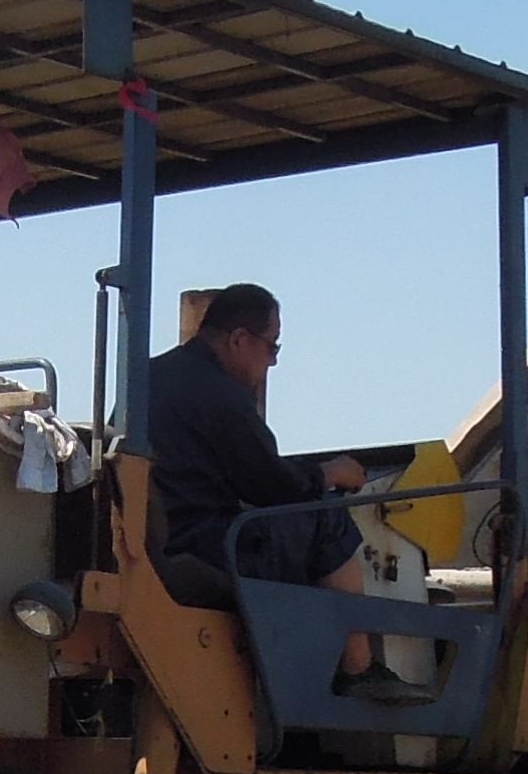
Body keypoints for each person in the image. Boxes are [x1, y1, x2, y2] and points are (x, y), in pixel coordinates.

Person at [133, 283, 383, 681]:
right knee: (326, 516)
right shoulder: (222, 395)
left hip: (155, 541)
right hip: (209, 547)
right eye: (273, 347)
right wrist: (330, 473)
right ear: (238, 340)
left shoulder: (146, 377)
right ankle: (360, 669)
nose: (273, 362)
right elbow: (274, 486)